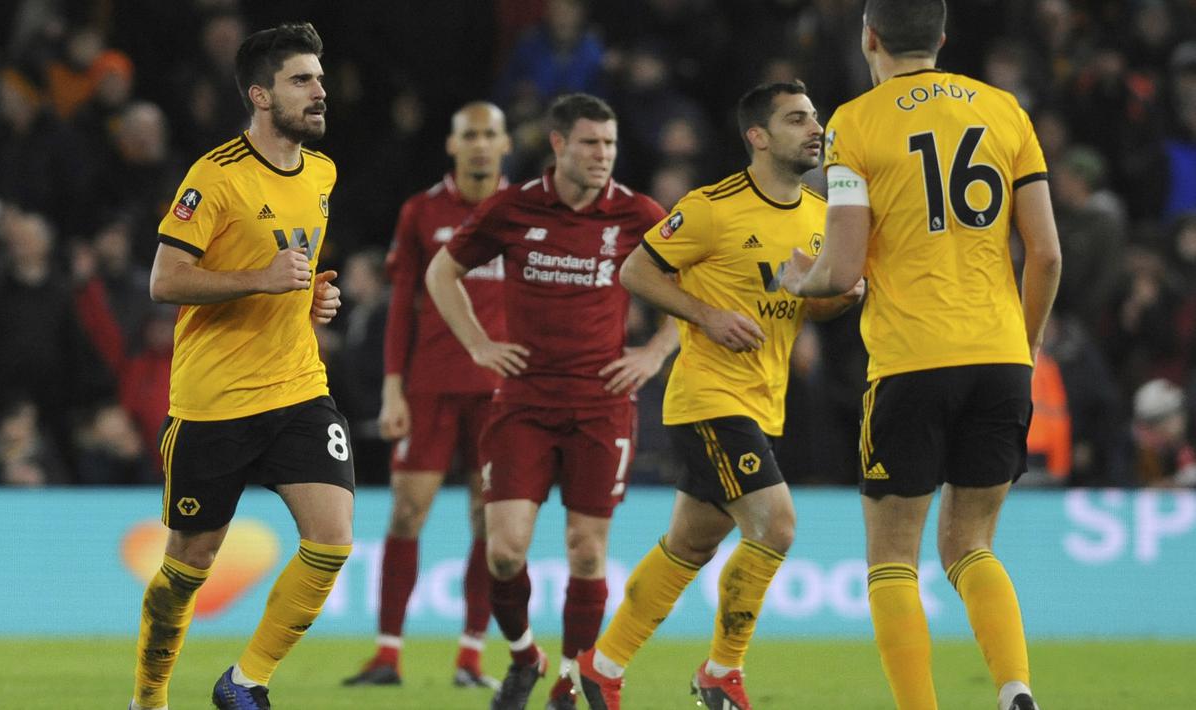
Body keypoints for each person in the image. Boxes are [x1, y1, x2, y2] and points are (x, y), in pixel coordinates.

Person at [780, 3, 1062, 710]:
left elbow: (841, 272)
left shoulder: (855, 121)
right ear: (941, 38)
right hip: (999, 356)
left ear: (868, 38)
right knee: (971, 544)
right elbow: (1047, 254)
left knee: (892, 559)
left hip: (910, 359)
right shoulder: (1005, 112)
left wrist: (797, 278)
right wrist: (1023, 343)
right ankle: (1014, 687)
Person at [571, 81, 863, 710]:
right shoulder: (712, 207)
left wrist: (839, 297)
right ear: (757, 136)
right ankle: (721, 673)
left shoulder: (819, 217)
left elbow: (806, 309)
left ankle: (601, 666)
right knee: (777, 526)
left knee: (690, 545)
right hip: (709, 400)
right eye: (795, 120)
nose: (814, 129)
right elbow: (636, 271)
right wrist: (705, 315)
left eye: (814, 118)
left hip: (765, 401)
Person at [424, 93, 677, 710]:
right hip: (523, 404)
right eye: (591, 143)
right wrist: (480, 345)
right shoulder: (512, 209)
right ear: (559, 144)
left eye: (610, 144)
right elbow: (441, 273)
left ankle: (569, 680)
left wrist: (654, 353)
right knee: (505, 550)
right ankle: (522, 657)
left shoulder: (638, 213)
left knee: (587, 551)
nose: (603, 156)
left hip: (602, 404)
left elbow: (694, 286)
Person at [129, 22, 354, 710]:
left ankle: (244, 682)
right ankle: (149, 696)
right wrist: (259, 277)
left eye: (318, 78)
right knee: (188, 566)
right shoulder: (215, 176)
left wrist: (314, 297)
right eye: (300, 80)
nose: (319, 91)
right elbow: (164, 281)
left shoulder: (322, 171)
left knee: (333, 541)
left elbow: (293, 265)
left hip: (296, 387)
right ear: (260, 95)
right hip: (215, 399)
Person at [342, 101, 511, 690]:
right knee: (407, 512)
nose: (481, 145)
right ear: (452, 144)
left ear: (505, 144)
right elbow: (400, 309)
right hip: (430, 387)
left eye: (491, 135)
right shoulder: (422, 211)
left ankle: (471, 658)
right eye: (471, 135)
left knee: (490, 523)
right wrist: (393, 389)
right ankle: (387, 655)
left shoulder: (526, 213)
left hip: (499, 396)